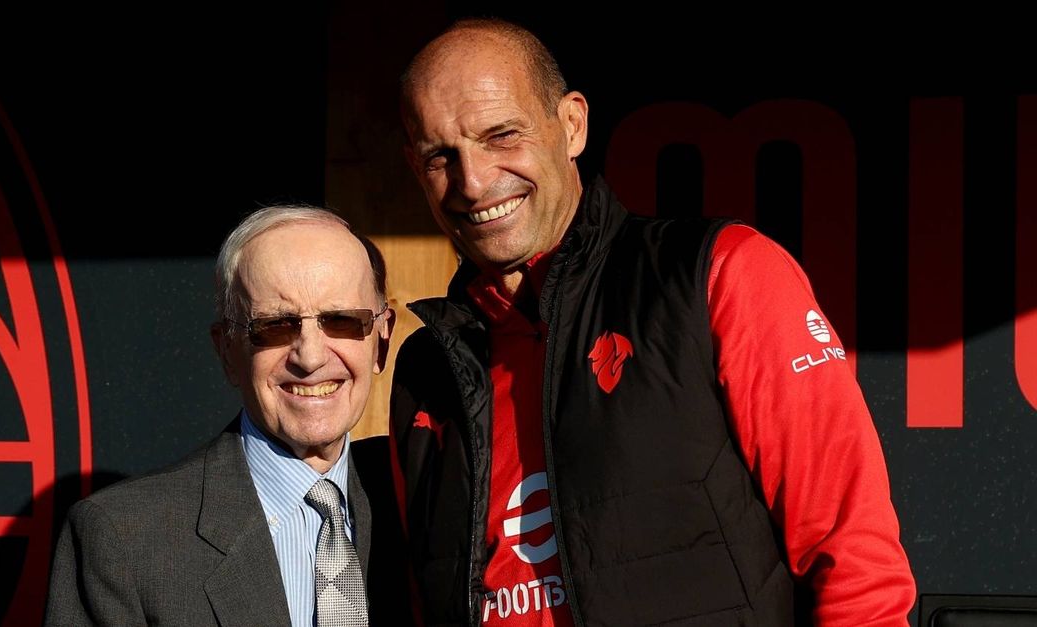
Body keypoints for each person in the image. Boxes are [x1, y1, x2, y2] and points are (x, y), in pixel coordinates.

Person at [389, 18, 916, 626]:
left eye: (501, 136)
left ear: (572, 125)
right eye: (440, 156)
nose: (474, 182)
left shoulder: (719, 273)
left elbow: (855, 563)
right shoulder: (426, 369)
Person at [45, 205, 406, 626]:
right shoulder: (123, 540)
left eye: (341, 320)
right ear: (227, 351)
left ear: (381, 342)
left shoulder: (424, 500)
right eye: (275, 325)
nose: (310, 357)